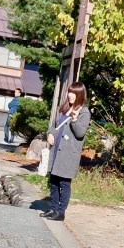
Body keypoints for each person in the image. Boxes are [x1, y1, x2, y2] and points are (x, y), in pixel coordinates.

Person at [43, 82, 90, 222]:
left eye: (73, 93)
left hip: (68, 154)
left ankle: (60, 211)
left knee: (64, 183)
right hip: (56, 150)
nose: (70, 95)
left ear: (80, 95)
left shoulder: (84, 112)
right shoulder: (64, 108)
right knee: (53, 181)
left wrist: (75, 119)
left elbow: (80, 133)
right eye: (69, 92)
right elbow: (54, 126)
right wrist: (50, 134)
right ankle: (52, 208)